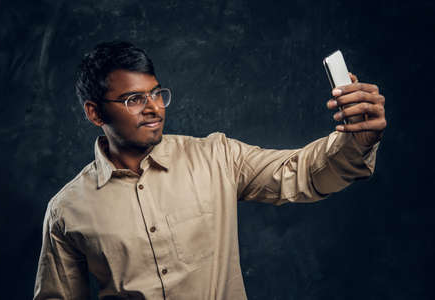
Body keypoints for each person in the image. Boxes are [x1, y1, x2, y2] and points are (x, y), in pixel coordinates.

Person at [33, 41, 386, 300]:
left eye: (156, 94)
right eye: (134, 99)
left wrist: (358, 140)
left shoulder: (216, 157)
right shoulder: (67, 210)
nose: (154, 108)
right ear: (94, 113)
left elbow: (303, 173)